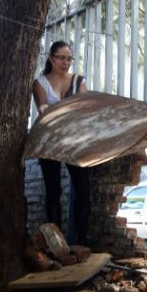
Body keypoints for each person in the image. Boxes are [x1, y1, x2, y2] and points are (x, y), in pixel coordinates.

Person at [32, 40, 91, 245]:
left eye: (69, 59)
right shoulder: (40, 82)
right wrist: (44, 110)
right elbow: (42, 108)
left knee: (83, 189)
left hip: (76, 142)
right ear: (51, 58)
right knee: (53, 191)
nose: (66, 62)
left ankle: (81, 242)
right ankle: (56, 243)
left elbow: (84, 109)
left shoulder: (78, 81)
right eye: (61, 58)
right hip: (49, 142)